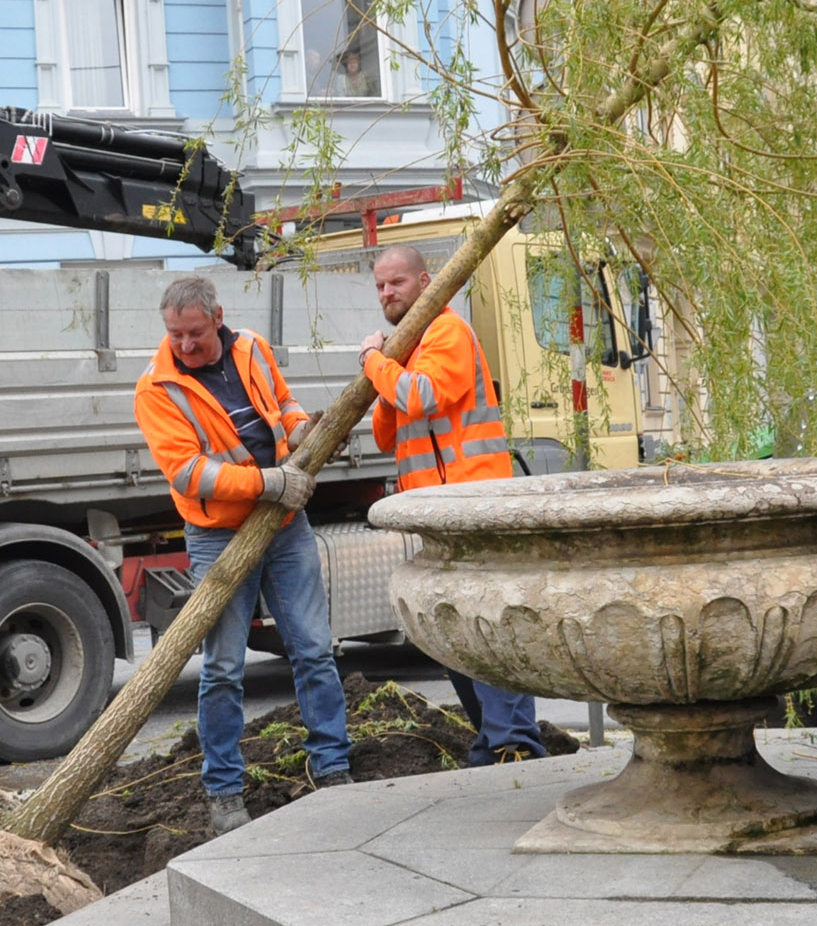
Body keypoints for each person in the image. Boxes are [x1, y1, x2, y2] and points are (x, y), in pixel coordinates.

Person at [135, 272, 353, 835]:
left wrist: (305, 431)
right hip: (219, 533)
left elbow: (282, 406)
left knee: (313, 650)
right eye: (175, 334)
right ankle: (224, 791)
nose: (185, 346)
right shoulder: (157, 389)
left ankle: (333, 767)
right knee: (224, 668)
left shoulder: (252, 347)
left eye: (196, 334)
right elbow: (188, 473)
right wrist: (268, 483)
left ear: (218, 318)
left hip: (283, 525)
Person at [361, 241, 547, 764]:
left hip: (473, 503)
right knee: (451, 631)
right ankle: (493, 739)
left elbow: (420, 397)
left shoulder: (446, 331)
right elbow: (386, 431)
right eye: (379, 285)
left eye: (396, 281)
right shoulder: (409, 349)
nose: (386, 292)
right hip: (437, 511)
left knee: (485, 626)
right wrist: (386, 367)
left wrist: (375, 361)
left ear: (425, 284)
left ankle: (515, 743)